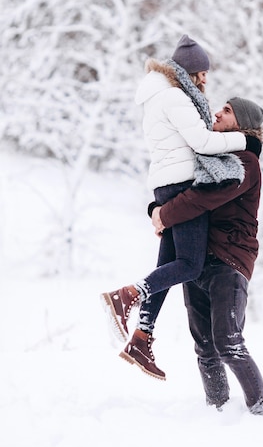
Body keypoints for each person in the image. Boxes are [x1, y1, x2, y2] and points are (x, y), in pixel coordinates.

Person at [101, 35, 247, 379]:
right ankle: (125, 297)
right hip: (182, 184)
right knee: (189, 265)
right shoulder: (175, 98)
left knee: (167, 264)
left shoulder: (158, 97)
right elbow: (203, 141)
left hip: (165, 183)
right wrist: (246, 140)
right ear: (189, 71)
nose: (206, 79)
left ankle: (141, 336)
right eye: (202, 72)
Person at [150, 97, 263, 415]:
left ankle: (261, 411)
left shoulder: (244, 162)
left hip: (228, 261)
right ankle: (217, 411)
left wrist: (164, 215)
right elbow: (182, 189)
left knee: (227, 342)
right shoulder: (210, 157)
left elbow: (203, 197)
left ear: (241, 123)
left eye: (227, 111)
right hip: (196, 259)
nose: (218, 112)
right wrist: (156, 209)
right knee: (205, 347)